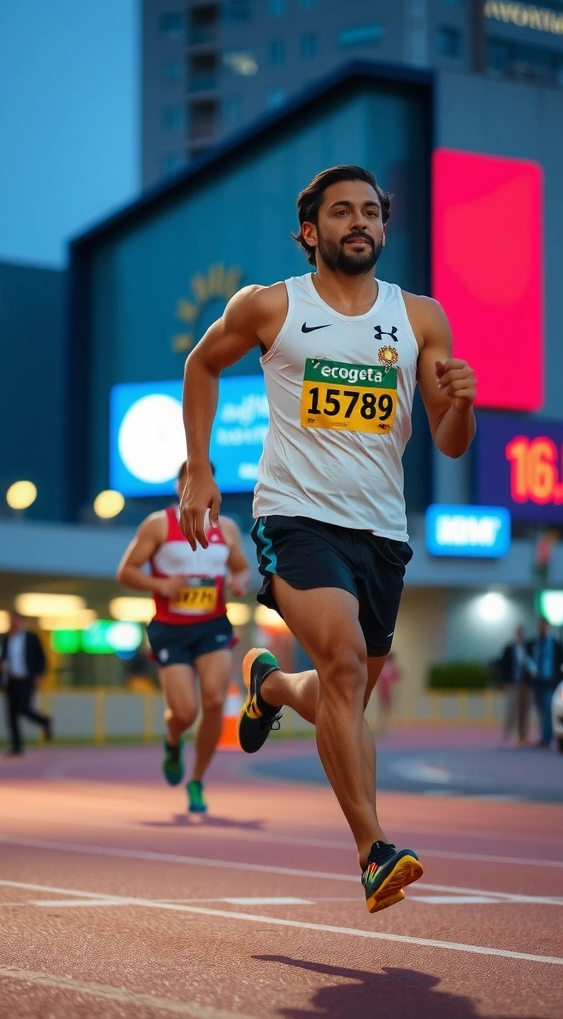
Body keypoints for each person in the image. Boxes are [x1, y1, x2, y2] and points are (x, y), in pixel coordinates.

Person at [178, 165, 477, 912]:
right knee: (343, 661)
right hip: (295, 519)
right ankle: (374, 850)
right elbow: (200, 365)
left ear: (383, 227)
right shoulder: (271, 305)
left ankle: (271, 686)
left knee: (345, 691)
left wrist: (465, 406)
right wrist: (198, 468)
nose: (359, 223)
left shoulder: (420, 319)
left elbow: (448, 441)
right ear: (311, 231)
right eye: (341, 212)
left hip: (381, 532)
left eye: (371, 212)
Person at [116, 461, 251, 814]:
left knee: (214, 700)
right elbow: (125, 571)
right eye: (188, 479)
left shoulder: (227, 527)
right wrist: (160, 584)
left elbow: (241, 567)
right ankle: (173, 738)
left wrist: (239, 581)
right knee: (186, 712)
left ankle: (197, 779)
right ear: (178, 486)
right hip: (171, 630)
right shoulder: (158, 524)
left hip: (213, 626)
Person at [0, 613, 52, 755]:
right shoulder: (6, 638)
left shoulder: (31, 638)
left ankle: (44, 721)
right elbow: (3, 659)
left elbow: (41, 658)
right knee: (11, 714)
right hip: (11, 679)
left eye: (14, 621)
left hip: (26, 679)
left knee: (23, 707)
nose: (12, 623)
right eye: (10, 621)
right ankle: (17, 745)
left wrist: (39, 675)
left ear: (22, 622)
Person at [527, 617, 563, 748]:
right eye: (539, 625)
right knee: (540, 710)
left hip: (550, 680)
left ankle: (547, 737)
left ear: (547, 626)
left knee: (548, 708)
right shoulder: (534, 643)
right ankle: (544, 734)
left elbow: (562, 661)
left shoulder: (555, 643)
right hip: (537, 681)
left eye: (543, 625)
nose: (541, 627)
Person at [499, 624, 535, 746]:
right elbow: (503, 665)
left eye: (521, 632)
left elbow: (532, 664)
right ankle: (506, 736)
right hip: (513, 683)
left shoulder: (528, 647)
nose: (520, 634)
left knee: (525, 710)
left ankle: (522, 736)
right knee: (511, 710)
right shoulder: (509, 648)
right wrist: (504, 681)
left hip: (526, 683)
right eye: (518, 632)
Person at [376, 652, 402, 735]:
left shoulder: (393, 667)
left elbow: (397, 679)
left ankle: (388, 726)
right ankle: (383, 725)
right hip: (383, 690)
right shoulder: (383, 667)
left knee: (389, 708)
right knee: (383, 708)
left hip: (390, 690)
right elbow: (379, 678)